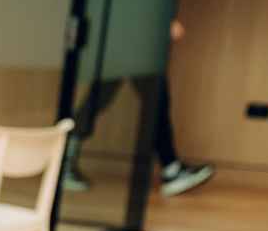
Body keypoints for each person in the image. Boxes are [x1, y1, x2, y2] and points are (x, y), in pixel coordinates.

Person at [62, 19, 214, 198]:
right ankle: (171, 169)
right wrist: (162, 24)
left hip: (122, 40)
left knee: (100, 99)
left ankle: (65, 162)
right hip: (130, 41)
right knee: (153, 100)